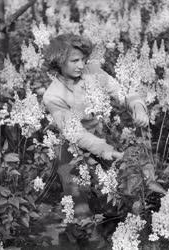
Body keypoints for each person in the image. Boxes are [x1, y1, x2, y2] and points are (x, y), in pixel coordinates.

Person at [42, 33, 149, 218]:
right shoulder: (53, 96)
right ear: (59, 62)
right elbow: (76, 133)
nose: (81, 65)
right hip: (72, 149)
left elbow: (121, 91)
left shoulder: (93, 72)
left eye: (83, 59)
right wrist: (106, 150)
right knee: (79, 205)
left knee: (116, 194)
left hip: (102, 135)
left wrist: (137, 106)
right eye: (75, 60)